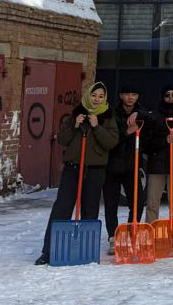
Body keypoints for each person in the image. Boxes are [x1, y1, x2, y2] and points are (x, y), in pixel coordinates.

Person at [35, 82, 119, 265]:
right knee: (62, 208)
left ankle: (85, 251)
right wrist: (74, 125)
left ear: (105, 99)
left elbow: (111, 143)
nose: (96, 99)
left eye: (101, 96)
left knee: (90, 209)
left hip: (95, 171)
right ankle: (49, 251)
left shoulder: (108, 116)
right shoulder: (76, 113)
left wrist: (97, 127)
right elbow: (62, 139)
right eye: (94, 95)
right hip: (73, 169)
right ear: (88, 96)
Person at [102, 84, 153, 255]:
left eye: (134, 94)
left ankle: (132, 232)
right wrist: (127, 132)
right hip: (112, 166)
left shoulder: (142, 113)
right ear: (120, 96)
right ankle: (113, 237)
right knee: (111, 204)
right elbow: (110, 138)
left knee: (137, 203)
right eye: (127, 94)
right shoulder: (111, 114)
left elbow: (154, 120)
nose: (130, 97)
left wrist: (140, 114)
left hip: (132, 166)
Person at [145, 84, 173, 223]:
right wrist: (164, 140)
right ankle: (151, 229)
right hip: (157, 165)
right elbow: (147, 143)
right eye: (167, 95)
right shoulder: (154, 116)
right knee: (152, 203)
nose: (170, 98)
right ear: (162, 96)